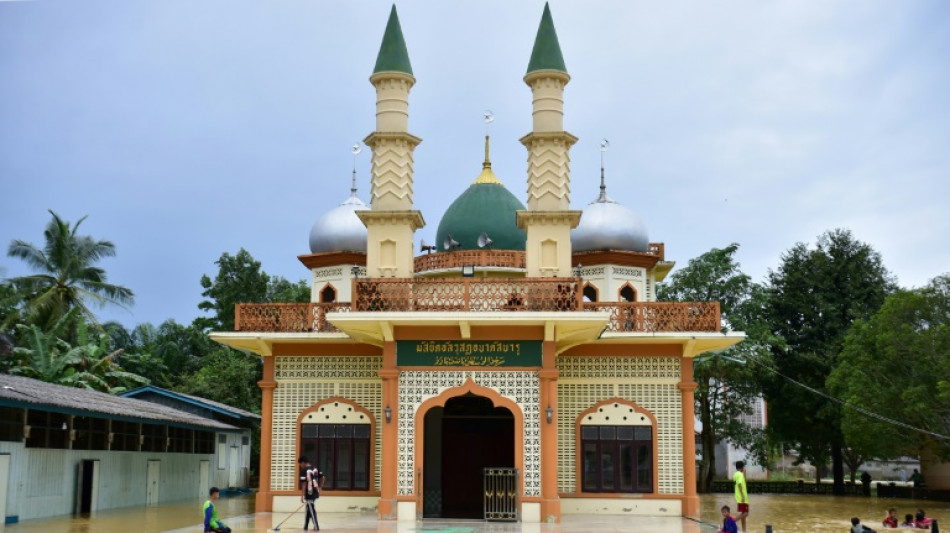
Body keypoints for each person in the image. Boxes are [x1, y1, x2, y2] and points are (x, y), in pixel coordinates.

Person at [298, 455, 325, 531]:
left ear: (303, 462)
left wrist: (302, 495)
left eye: (300, 464)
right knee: (309, 507)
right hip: (315, 491)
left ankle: (316, 526)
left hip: (309, 492)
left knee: (311, 508)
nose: (301, 466)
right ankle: (305, 526)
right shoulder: (315, 468)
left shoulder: (304, 470)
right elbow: (323, 478)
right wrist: (320, 487)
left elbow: (304, 484)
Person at [733, 460, 749, 532]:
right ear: (742, 467)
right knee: (746, 513)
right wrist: (742, 496)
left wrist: (744, 473)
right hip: (742, 497)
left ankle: (744, 531)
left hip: (740, 496)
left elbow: (744, 482)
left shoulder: (736, 474)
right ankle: (733, 521)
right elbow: (740, 485)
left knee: (743, 514)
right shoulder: (739, 475)